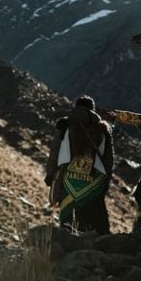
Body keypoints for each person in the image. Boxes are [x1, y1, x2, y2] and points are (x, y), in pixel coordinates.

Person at [45, 96, 114, 235]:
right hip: (94, 180)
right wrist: (106, 182)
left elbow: (55, 151)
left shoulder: (64, 125)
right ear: (93, 110)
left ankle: (69, 243)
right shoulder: (103, 129)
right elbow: (108, 158)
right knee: (95, 221)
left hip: (68, 179)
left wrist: (50, 174)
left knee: (69, 219)